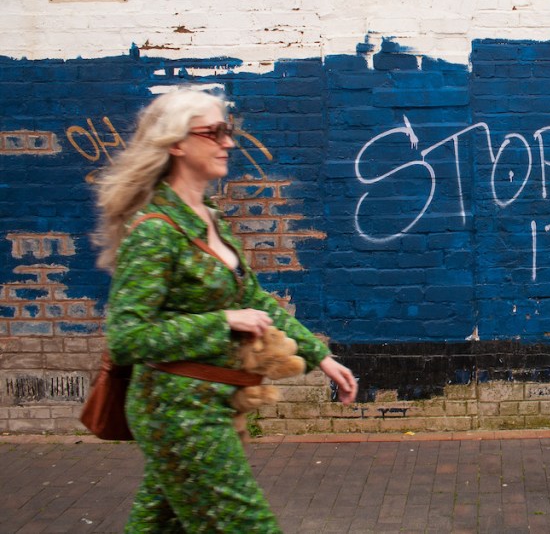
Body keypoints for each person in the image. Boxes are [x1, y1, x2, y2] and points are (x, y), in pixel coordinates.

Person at [94, 88, 358, 533]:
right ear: (177, 142)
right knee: (247, 524)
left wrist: (320, 356)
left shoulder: (208, 217)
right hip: (178, 411)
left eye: (227, 131)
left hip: (207, 404)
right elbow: (126, 337)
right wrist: (223, 322)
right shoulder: (155, 232)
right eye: (214, 132)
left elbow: (253, 299)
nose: (228, 142)